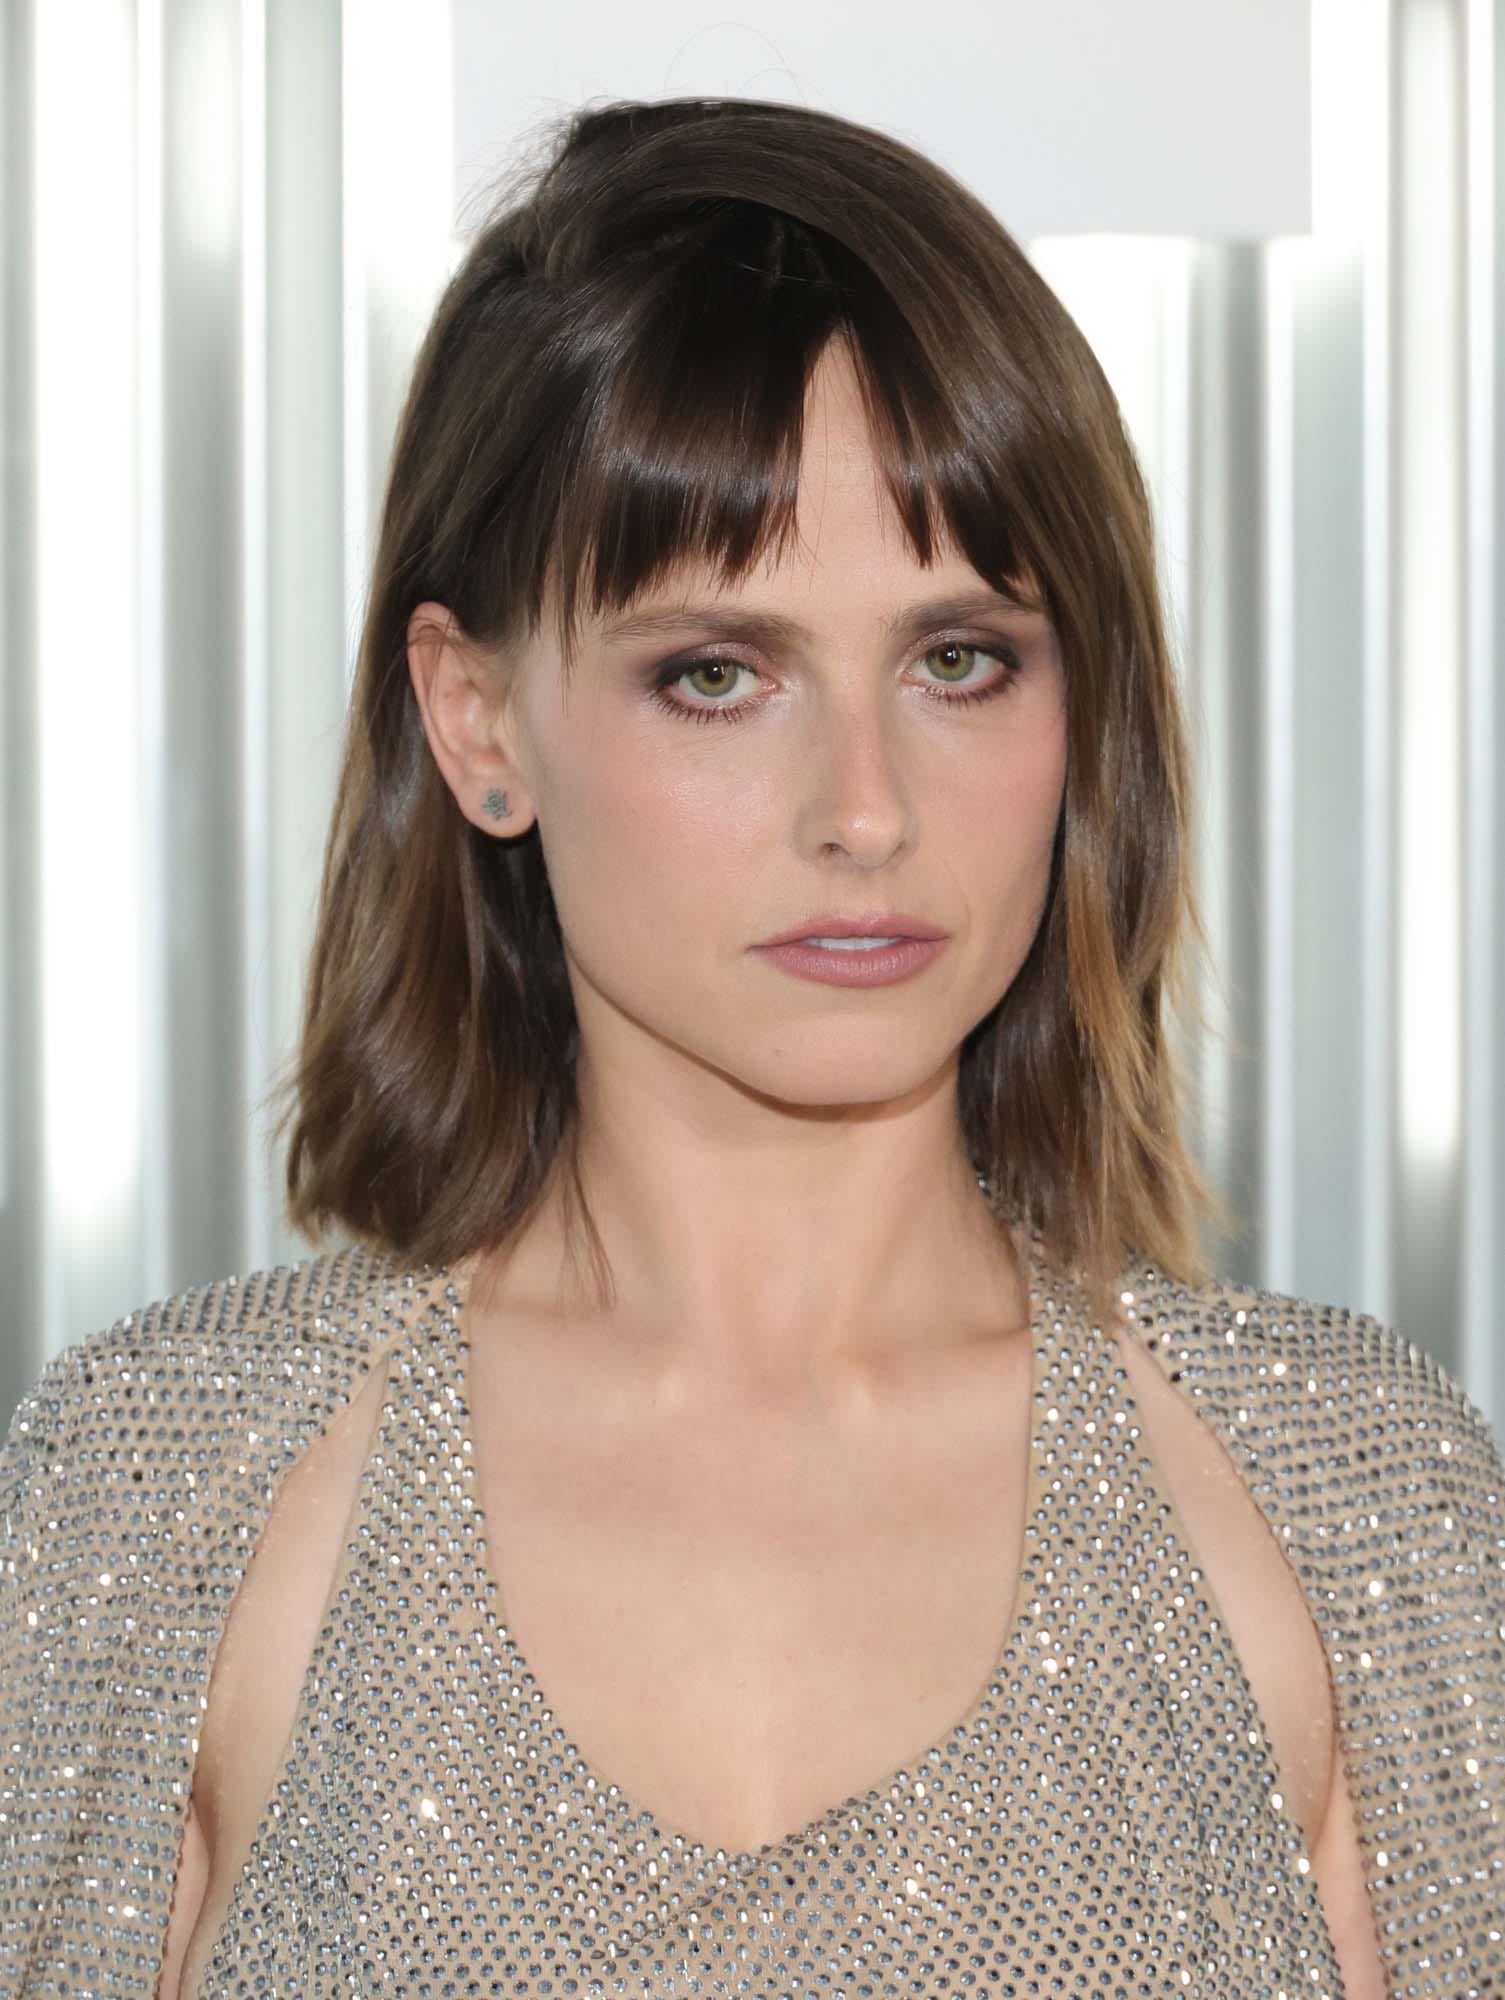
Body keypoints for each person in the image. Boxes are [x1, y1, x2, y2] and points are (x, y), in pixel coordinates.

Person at [2, 96, 1500, 2000]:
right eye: (716, 674)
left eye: (959, 660)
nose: (863, 808)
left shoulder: (1349, 1497)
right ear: (476, 721)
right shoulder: (167, 1488)